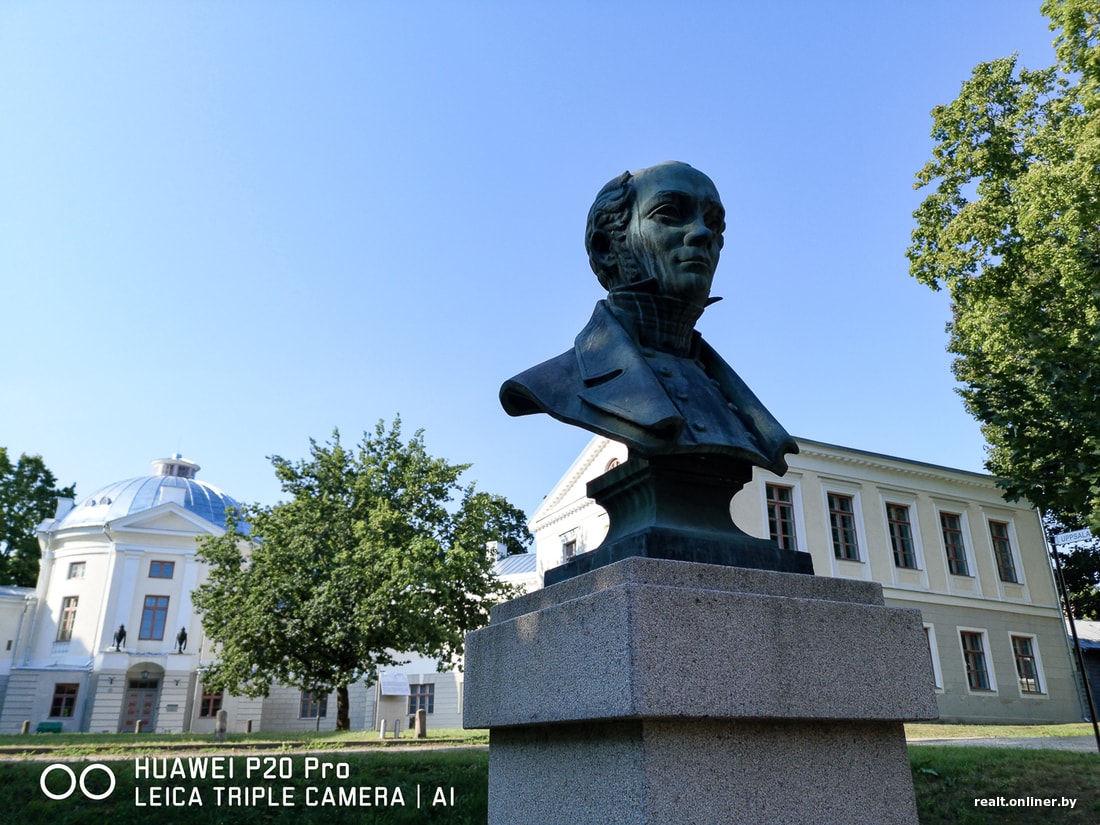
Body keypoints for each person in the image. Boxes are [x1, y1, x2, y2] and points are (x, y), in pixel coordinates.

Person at [500, 161, 796, 475]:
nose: (702, 233)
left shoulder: (738, 405)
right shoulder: (556, 381)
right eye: (669, 213)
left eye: (713, 223)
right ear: (606, 248)